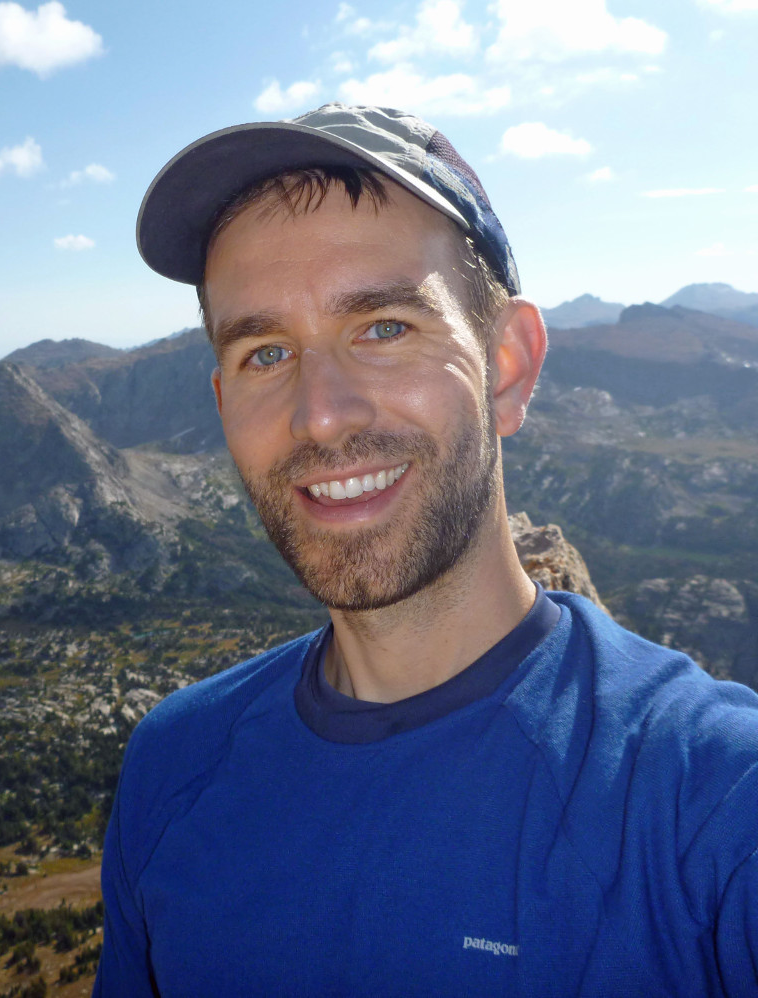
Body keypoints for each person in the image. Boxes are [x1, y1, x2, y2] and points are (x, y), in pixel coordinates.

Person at [93, 103, 758, 996]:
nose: (319, 413)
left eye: (383, 329)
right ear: (221, 403)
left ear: (508, 366)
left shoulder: (709, 798)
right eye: (265, 352)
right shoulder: (173, 768)